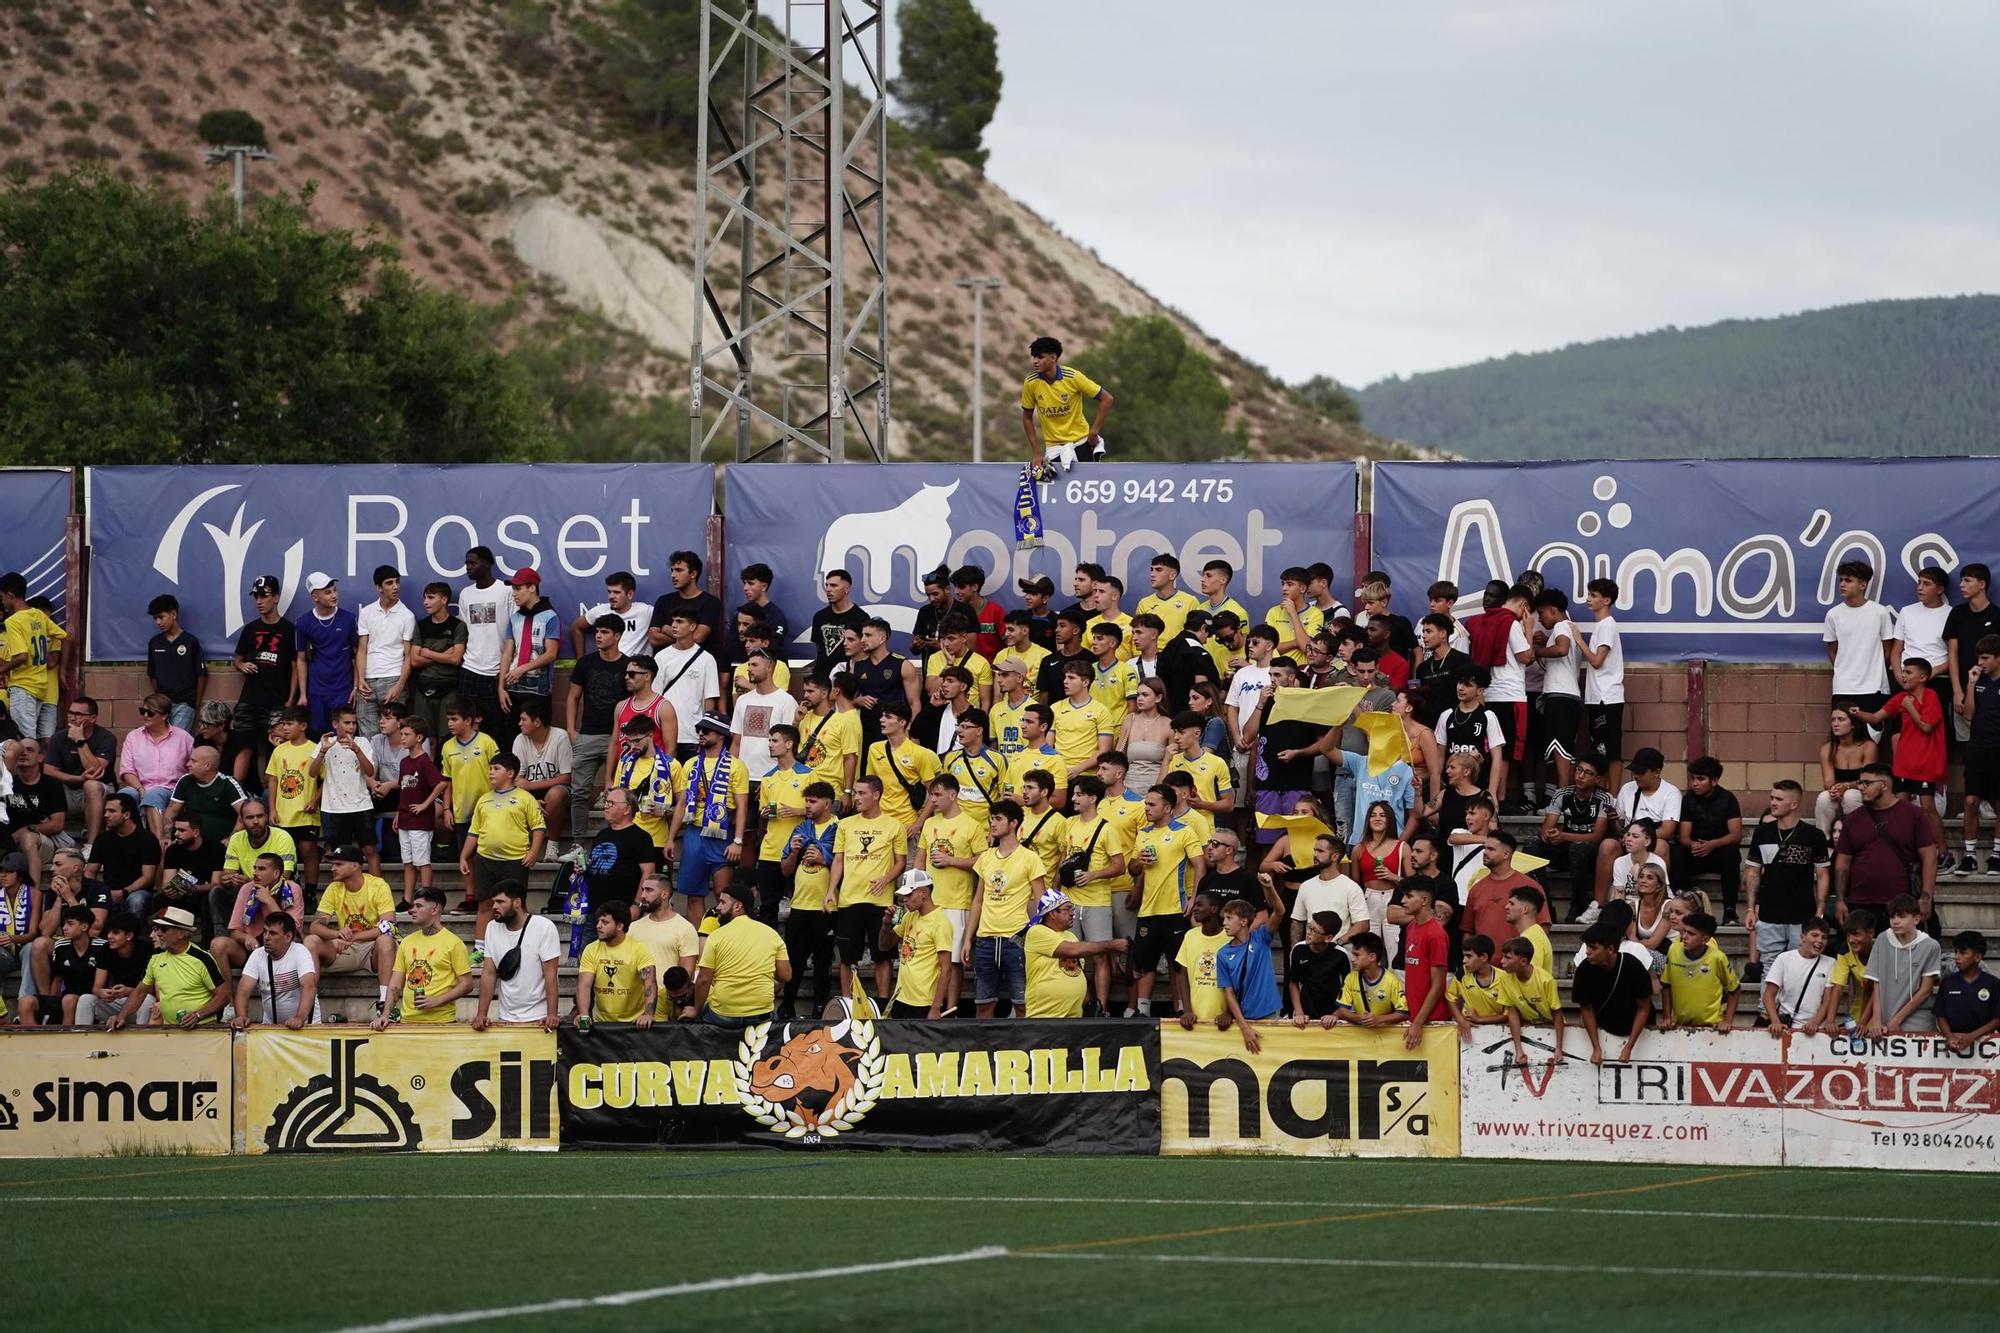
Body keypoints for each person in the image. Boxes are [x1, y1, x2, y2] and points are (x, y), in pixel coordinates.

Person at [1856, 657, 1950, 863]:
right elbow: (1875, 718)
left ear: (1923, 677)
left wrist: (1910, 707)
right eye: (1903, 672)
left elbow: (1926, 726)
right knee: (1901, 808)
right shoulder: (1900, 698)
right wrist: (1857, 712)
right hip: (1903, 765)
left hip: (1926, 764)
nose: (1903, 675)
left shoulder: (1931, 696)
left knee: (1927, 808)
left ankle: (1944, 852)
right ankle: (1907, 851)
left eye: (1908, 672)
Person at [1126, 785, 1204, 1017]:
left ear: (1167, 807)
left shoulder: (1184, 832)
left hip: (1175, 909)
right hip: (1148, 909)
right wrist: (1139, 862)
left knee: (1178, 962)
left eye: (1151, 804)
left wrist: (1194, 898)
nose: (1146, 808)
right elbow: (1132, 869)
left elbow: (1199, 864)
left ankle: (1181, 1008)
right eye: (1146, 804)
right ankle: (1143, 1011)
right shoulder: (1144, 833)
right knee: (1144, 963)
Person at [826, 775, 905, 1004]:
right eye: (855, 793)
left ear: (876, 795)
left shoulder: (894, 826)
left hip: (882, 901)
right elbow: (838, 860)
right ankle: (849, 1003)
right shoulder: (845, 824)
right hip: (850, 898)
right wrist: (831, 889)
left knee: (883, 954)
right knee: (848, 956)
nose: (856, 798)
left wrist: (886, 878)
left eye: (861, 793)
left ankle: (882, 1003)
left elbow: (900, 861)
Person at [965, 798, 1044, 1019]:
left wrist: (1031, 934)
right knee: (983, 1004)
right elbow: (978, 900)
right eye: (992, 819)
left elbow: (1041, 902)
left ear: (1013, 823)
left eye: (998, 819)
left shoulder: (1030, 858)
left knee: (1023, 1004)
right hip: (985, 939)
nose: (993, 823)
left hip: (1015, 939)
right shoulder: (986, 857)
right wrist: (967, 939)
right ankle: (983, 1051)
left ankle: (1024, 1050)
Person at [459, 751, 546, 941]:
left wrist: (533, 852)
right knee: (485, 904)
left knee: (517, 905)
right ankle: (480, 948)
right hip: (485, 860)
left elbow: (539, 827)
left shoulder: (525, 798)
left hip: (515, 861)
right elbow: (474, 831)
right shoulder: (484, 799)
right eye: (490, 768)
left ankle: (523, 943)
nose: (491, 772)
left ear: (510, 773)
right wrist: (464, 856)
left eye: (496, 769)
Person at [668, 712, 749, 916]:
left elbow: (742, 806)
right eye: (699, 730)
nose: (700, 734)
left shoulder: (736, 765)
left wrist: (738, 841)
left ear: (721, 734)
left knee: (723, 893)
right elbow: (682, 803)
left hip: (721, 834)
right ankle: (700, 942)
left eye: (706, 730)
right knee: (694, 895)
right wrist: (671, 838)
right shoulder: (691, 763)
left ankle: (724, 941)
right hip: (694, 833)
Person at [1834, 762, 1935, 923]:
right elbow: (1842, 863)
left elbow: (1929, 858)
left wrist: (1926, 897)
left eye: (1866, 783)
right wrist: (1839, 900)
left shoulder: (1914, 815)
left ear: (1884, 785)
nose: (1860, 787)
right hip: (1860, 902)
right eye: (1860, 782)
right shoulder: (1853, 818)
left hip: (1902, 903)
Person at [1744, 779, 1831, 967]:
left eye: (1779, 799)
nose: (1773, 802)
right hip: (1769, 914)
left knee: (1800, 968)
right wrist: (1751, 908)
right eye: (1772, 798)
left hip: (1802, 915)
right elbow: (1752, 872)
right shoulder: (1762, 832)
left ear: (1794, 804)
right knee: (1770, 969)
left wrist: (1820, 911)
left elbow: (1823, 874)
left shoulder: (1813, 835)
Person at [309, 846, 396, 1017]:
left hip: (373, 950)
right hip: (346, 947)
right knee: (311, 941)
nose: (332, 868)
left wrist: (353, 937)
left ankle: (384, 1004)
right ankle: (311, 1004)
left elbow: (389, 925)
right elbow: (314, 926)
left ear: (356, 866)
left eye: (338, 864)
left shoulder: (377, 885)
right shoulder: (334, 888)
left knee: (386, 939)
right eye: (333, 864)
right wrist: (337, 934)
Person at [107, 907, 229, 1029]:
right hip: (170, 1030)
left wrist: (198, 1015)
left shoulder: (202, 959)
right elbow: (140, 992)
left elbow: (223, 996)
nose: (158, 933)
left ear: (181, 933)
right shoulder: (155, 957)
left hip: (202, 1029)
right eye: (158, 928)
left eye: (164, 929)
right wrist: (121, 1017)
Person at [779, 781, 840, 1017]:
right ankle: (787, 1005)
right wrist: (794, 852)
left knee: (823, 962)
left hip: (826, 906)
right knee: (794, 960)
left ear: (827, 804)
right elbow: (785, 870)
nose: (807, 806)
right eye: (806, 801)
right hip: (799, 905)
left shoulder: (840, 828)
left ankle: (819, 1008)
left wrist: (824, 859)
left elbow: (847, 865)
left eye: (812, 801)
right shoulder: (801, 829)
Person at [373, 887, 471, 1028]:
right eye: (413, 906)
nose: (411, 910)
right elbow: (395, 984)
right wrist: (385, 1015)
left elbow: (467, 984)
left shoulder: (454, 943)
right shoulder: (406, 941)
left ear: (434, 909)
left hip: (442, 1024)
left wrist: (437, 1000)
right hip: (407, 1022)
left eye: (418, 906)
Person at [693, 883, 789, 1028]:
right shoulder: (771, 934)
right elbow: (785, 976)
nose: (717, 907)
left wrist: (696, 1011)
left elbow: (704, 980)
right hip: (761, 1015)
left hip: (724, 1014)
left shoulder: (716, 936)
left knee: (704, 1013)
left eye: (723, 902)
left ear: (738, 906)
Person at [470, 882, 561, 1031]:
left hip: (539, 1017)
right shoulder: (492, 927)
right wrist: (481, 1014)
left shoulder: (544, 926)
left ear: (517, 903)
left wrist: (552, 1014)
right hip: (506, 1016)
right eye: (493, 902)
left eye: (500, 902)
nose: (494, 907)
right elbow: (489, 973)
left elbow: (550, 974)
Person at [1024, 887, 1125, 1019]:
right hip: (1044, 1018)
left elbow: (1076, 973)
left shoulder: (1071, 936)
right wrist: (1112, 945)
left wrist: (1089, 1003)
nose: (1072, 914)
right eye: (1067, 909)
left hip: (1074, 1018)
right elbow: (1073, 950)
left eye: (1072, 909)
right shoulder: (1037, 932)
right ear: (1052, 913)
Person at [1021, 334, 1112, 469]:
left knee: (1087, 486)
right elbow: (1027, 418)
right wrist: (1037, 452)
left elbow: (1107, 399)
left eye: (1040, 357)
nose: (1035, 361)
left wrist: (1094, 432)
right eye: (1034, 357)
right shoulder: (1031, 382)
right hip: (1054, 448)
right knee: (1057, 488)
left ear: (1053, 358)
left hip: (1081, 442)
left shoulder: (1073, 377)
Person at [44, 696, 119, 858]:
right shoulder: (59, 737)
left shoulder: (106, 738)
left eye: (78, 714)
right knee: (44, 785)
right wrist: (77, 779)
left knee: (91, 785)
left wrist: (80, 740)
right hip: (68, 791)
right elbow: (49, 770)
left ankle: (91, 845)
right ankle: (49, 839)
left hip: (100, 791)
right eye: (70, 713)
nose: (72, 717)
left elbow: (95, 771)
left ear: (92, 718)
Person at [1824, 559, 1897, 719]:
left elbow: (1888, 648)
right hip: (1843, 688)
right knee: (1843, 735)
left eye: (1848, 580)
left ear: (1862, 585)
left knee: (1872, 736)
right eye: (1841, 580)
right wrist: (1843, 670)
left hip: (1874, 687)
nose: (1842, 584)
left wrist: (1875, 671)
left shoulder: (1880, 612)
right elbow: (1831, 649)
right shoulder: (1833, 614)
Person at [1674, 756, 1744, 922]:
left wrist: (1712, 845)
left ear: (1714, 781)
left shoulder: (1728, 799)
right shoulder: (1688, 799)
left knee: (1731, 853)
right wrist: (1694, 845)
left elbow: (1735, 835)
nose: (1694, 783)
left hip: (1718, 852)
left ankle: (1729, 912)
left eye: (1700, 779)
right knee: (1677, 851)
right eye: (1693, 778)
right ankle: (1684, 906)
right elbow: (1683, 836)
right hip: (1695, 852)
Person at [1572, 923, 1654, 1063]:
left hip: (1641, 1031)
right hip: (1604, 1027)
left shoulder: (1633, 966)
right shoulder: (1584, 970)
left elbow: (1644, 1008)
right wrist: (1596, 1047)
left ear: (1610, 949)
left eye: (1593, 947)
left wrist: (1629, 1047)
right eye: (1587, 946)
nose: (1587, 952)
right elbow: (1586, 1009)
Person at [212, 850, 305, 972]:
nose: (255, 873)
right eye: (255, 868)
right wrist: (245, 938)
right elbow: (235, 931)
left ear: (276, 873)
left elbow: (292, 931)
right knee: (217, 944)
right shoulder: (247, 888)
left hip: (281, 946)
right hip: (252, 948)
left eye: (261, 869)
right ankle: (225, 991)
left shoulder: (292, 889)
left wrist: (269, 901)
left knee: (285, 939)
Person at [456, 547, 512, 749]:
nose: (468, 568)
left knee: (497, 727)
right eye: (467, 564)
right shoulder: (465, 594)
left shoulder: (505, 591)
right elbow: (464, 630)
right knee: (467, 725)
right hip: (470, 668)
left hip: (498, 670)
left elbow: (514, 632)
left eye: (473, 563)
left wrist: (507, 670)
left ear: (487, 564)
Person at [116, 693, 192, 840]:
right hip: (140, 787)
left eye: (150, 712)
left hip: (172, 790)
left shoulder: (183, 738)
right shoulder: (133, 737)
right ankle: (121, 842)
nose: (145, 715)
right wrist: (140, 789)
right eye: (142, 711)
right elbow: (127, 771)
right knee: (123, 797)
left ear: (164, 716)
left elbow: (194, 766)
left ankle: (157, 843)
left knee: (153, 794)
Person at [881, 870, 954, 1018]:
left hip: (923, 1002)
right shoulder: (909, 915)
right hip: (900, 997)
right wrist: (886, 923)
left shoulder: (940, 923)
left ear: (923, 893)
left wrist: (935, 1007)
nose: (904, 900)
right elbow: (884, 946)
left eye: (909, 895)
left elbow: (946, 968)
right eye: (903, 896)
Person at [571, 898, 654, 1027]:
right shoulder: (591, 949)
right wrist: (584, 1015)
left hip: (634, 1024)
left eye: (605, 922)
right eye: (598, 921)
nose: (598, 926)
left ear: (620, 926)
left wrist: (648, 1014)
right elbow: (584, 986)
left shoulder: (639, 949)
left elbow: (649, 983)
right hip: (601, 1023)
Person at [229, 911, 320, 1029]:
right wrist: (241, 1016)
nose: (266, 937)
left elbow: (309, 986)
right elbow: (243, 991)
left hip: (306, 1026)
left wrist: (300, 1017)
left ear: (288, 937)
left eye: (273, 933)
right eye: (265, 931)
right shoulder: (257, 955)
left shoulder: (300, 952)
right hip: (271, 1028)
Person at [354, 565, 416, 738]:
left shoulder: (407, 616)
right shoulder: (366, 612)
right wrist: (360, 680)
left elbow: (408, 656)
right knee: (368, 737)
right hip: (367, 682)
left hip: (393, 678)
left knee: (396, 736)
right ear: (379, 588)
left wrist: (399, 686)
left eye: (397, 582)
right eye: (389, 583)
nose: (395, 586)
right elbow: (362, 649)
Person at [1864, 893, 1940, 1034]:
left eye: (1902, 916)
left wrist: (1897, 1020)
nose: (1895, 921)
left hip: (1918, 1022)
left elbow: (1925, 991)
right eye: (1892, 917)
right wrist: (1876, 1020)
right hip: (1885, 1021)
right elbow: (1877, 983)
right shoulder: (1882, 939)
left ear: (1916, 919)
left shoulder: (1931, 945)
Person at [1214, 897, 1282, 1050]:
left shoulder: (1261, 938)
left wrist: (1269, 887)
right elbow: (1228, 993)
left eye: (1229, 918)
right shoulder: (1222, 954)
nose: (1224, 923)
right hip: (1243, 1018)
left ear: (1244, 922)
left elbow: (1280, 911)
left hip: (1269, 1012)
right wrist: (1244, 1028)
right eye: (1224, 918)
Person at [391, 718, 446, 903]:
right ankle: (408, 899)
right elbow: (404, 790)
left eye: (407, 735)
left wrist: (425, 804)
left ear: (419, 737)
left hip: (420, 821)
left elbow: (440, 784)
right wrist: (399, 813)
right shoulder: (405, 762)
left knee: (422, 861)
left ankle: (426, 897)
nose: (403, 738)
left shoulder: (424, 761)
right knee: (408, 861)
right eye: (402, 734)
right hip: (406, 817)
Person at [407, 581, 469, 742]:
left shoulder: (458, 626)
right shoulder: (421, 625)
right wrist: (442, 655)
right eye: (424, 598)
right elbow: (414, 660)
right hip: (423, 686)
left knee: (447, 737)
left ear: (444, 600)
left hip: (449, 687)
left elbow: (456, 659)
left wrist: (427, 653)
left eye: (430, 598)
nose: (425, 602)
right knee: (425, 738)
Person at [1959, 634, 2000, 873]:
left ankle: (1996, 854)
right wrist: (1971, 684)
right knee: (1971, 801)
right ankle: (1970, 855)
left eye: (1985, 658)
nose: (1981, 662)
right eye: (1979, 658)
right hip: (1977, 749)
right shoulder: (1979, 681)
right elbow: (1968, 714)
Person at [1661, 910, 1741, 1029]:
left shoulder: (1717, 957)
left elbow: (1735, 989)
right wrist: (1667, 1017)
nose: (1684, 937)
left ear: (1705, 939)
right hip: (1679, 1026)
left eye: (1691, 934)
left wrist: (1728, 1021)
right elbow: (1666, 985)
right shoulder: (1673, 950)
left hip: (1711, 1027)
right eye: (1684, 931)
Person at [510, 697, 572, 846]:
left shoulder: (560, 736)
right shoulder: (520, 740)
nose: (519, 723)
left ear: (537, 722)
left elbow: (566, 777)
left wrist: (531, 786)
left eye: (523, 720)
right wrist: (531, 801)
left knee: (555, 794)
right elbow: (516, 780)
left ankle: (552, 845)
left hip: (556, 790)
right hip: (531, 793)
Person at [1760, 917, 1837, 1038]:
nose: (1820, 940)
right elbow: (1769, 994)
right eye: (1815, 935)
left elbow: (1828, 1000)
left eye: (1824, 937)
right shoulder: (1784, 958)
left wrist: (1815, 1023)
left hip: (1816, 1030)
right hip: (1786, 1026)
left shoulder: (1831, 963)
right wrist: (1775, 1021)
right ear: (1803, 937)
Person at [89, 793, 160, 922]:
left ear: (126, 815)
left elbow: (148, 877)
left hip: (138, 891)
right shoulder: (102, 839)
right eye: (105, 811)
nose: (105, 815)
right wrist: (96, 891)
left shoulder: (147, 839)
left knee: (136, 901)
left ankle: (133, 939)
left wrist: (124, 892)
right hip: (108, 891)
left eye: (111, 811)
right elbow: (90, 871)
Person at [74, 911, 153, 1027]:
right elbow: (96, 987)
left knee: (148, 1000)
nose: (109, 936)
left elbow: (151, 991)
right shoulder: (105, 949)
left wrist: (128, 991)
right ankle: (82, 1039)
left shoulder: (146, 950)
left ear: (129, 936)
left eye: (115, 933)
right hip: (116, 1002)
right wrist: (103, 992)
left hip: (138, 1003)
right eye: (109, 932)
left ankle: (142, 1040)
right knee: (86, 999)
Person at [1495, 936, 1564, 1062]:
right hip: (1528, 1026)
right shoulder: (1505, 979)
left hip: (1551, 1027)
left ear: (1523, 961)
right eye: (1503, 956)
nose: (1502, 961)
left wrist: (1558, 1047)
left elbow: (1557, 1014)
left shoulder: (1545, 980)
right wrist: (1519, 1050)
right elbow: (1513, 1013)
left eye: (1507, 957)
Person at [1400, 881, 1451, 1048]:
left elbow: (1438, 985)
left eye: (1408, 896)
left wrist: (1418, 1022)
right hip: (1414, 1018)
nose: (1402, 900)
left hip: (1432, 1021)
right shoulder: (1411, 927)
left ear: (1423, 900)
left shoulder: (1436, 935)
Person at [1173, 890, 1231, 1030]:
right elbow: (1182, 974)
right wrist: (1187, 1010)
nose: (1194, 908)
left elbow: (1239, 978)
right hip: (1195, 1020)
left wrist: (1229, 1012)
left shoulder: (1230, 938)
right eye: (1195, 905)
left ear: (1214, 908)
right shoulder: (1190, 936)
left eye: (1199, 905)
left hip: (1223, 1020)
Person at [1934, 930, 2000, 1051]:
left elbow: (1997, 1020)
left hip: (1985, 1045)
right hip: (1953, 1043)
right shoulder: (1948, 982)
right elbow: (1940, 1015)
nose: (1957, 957)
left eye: (1963, 953)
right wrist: (1950, 1037)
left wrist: (1972, 1037)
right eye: (1956, 952)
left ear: (1978, 957)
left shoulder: (1993, 984)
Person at [1288, 910, 1351, 1027]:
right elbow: (1294, 983)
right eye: (1309, 927)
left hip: (1333, 1016)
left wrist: (1337, 1014)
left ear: (1328, 938)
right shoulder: (1298, 950)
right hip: (1305, 1014)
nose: (1308, 932)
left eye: (1314, 931)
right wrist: (1299, 1012)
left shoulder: (1341, 955)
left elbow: (1349, 988)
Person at [808, 570, 869, 678]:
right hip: (821, 677)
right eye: (826, 585)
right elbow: (818, 648)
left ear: (846, 589)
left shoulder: (861, 617)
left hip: (846, 679)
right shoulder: (819, 616)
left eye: (833, 585)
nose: (828, 589)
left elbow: (864, 651)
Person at [1336, 932, 1405, 1027]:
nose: (1352, 959)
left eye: (1357, 955)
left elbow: (1403, 1012)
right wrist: (1360, 1019)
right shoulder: (1351, 978)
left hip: (1385, 1035)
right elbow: (1342, 1009)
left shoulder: (1391, 980)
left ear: (1372, 957)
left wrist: (1379, 1020)